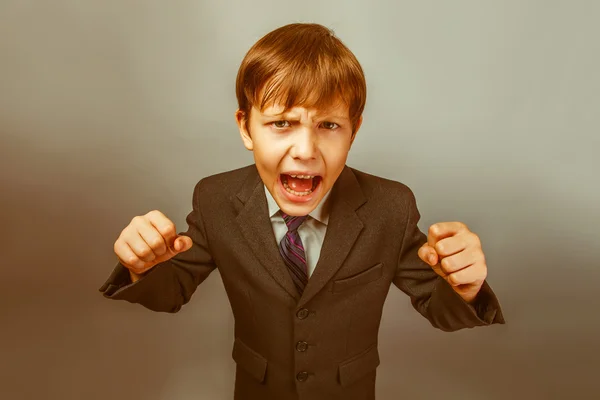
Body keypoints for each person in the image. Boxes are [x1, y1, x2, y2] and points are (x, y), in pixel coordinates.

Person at [100, 22, 505, 400]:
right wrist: (143, 265)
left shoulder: (390, 207)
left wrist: (464, 286)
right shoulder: (215, 199)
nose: (306, 150)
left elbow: (440, 307)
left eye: (329, 126)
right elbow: (170, 292)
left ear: (353, 131)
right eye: (281, 123)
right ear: (246, 128)